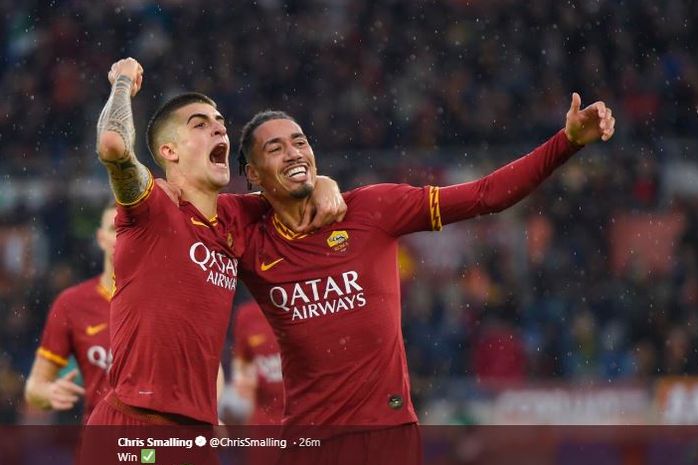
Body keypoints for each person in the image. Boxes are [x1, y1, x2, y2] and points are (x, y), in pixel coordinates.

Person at [231, 94, 615, 464]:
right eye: (276, 148)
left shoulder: (372, 209)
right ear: (252, 173)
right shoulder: (250, 239)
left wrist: (566, 143)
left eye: (300, 142)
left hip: (388, 437)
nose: (294, 152)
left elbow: (487, 195)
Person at [86, 57, 345, 427]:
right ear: (169, 152)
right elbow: (112, 145)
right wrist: (123, 81)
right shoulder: (153, 208)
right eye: (201, 124)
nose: (220, 131)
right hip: (135, 421)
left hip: (197, 428)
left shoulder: (237, 217)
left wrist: (324, 182)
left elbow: (296, 190)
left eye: (221, 124)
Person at [24, 204, 116, 422]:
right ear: (101, 238)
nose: (122, 236)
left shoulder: (167, 299)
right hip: (101, 443)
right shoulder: (72, 304)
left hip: (160, 443)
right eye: (115, 229)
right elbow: (34, 388)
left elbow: (208, 371)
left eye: (129, 228)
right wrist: (47, 393)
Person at [230, 299, 283, 425]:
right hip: (265, 423)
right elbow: (243, 377)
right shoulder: (247, 315)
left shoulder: (310, 309)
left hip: (307, 421)